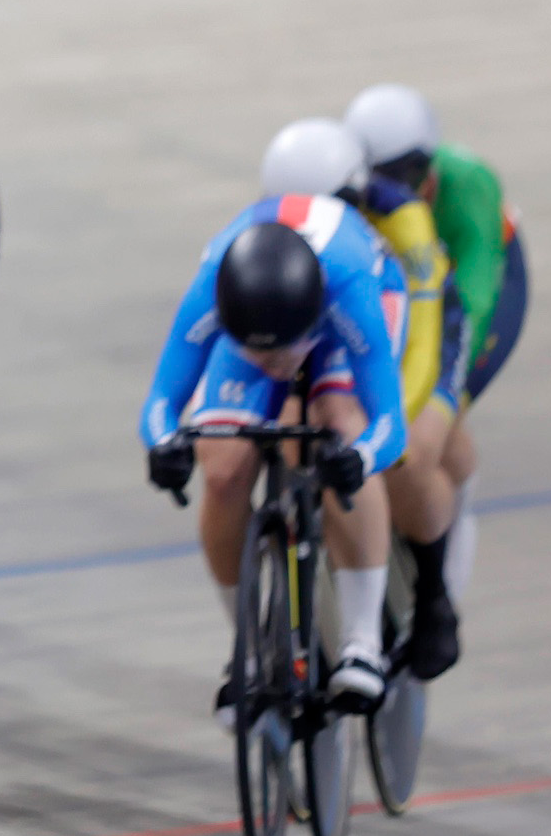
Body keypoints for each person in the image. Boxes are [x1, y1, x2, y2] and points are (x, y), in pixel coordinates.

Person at [141, 193, 408, 711]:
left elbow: (389, 424)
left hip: (349, 312)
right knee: (220, 472)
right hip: (271, 308)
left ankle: (362, 644)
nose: (272, 360)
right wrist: (164, 446)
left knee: (341, 420)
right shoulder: (212, 290)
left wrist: (360, 458)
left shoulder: (350, 287)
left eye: (280, 348)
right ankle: (245, 650)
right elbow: (161, 402)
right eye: (258, 348)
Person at [260, 117, 465, 679]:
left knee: (411, 452)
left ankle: (433, 598)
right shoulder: (285, 217)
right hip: (335, 317)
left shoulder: (402, 220)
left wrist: (387, 420)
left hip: (417, 322)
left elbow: (419, 342)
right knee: (290, 424)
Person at [345, 83, 528, 632]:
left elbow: (470, 298)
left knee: (431, 433)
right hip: (406, 281)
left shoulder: (467, 182)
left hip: (475, 285)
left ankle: (439, 587)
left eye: (405, 182)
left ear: (430, 174)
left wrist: (440, 395)